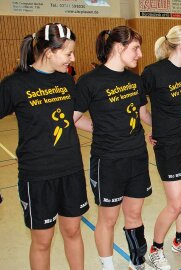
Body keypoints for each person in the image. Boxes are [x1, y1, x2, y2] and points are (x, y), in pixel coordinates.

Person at [0, 23, 90, 269]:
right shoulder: (15, 84)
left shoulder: (66, 81)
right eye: (68, 53)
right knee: (43, 240)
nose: (73, 58)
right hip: (37, 175)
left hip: (71, 169)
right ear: (49, 52)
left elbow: (72, 117)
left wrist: (105, 131)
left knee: (73, 231)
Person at [75, 26, 153, 270]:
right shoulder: (90, 81)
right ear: (119, 47)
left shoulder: (134, 80)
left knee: (134, 215)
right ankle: (108, 266)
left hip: (137, 157)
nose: (140, 54)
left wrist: (167, 126)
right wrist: (99, 129)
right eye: (135, 48)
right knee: (108, 218)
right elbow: (74, 117)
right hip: (108, 161)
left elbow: (143, 114)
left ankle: (137, 262)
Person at [141, 25, 181, 270]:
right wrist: (153, 127)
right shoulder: (153, 72)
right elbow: (137, 105)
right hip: (169, 145)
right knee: (175, 203)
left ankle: (180, 240)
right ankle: (154, 249)